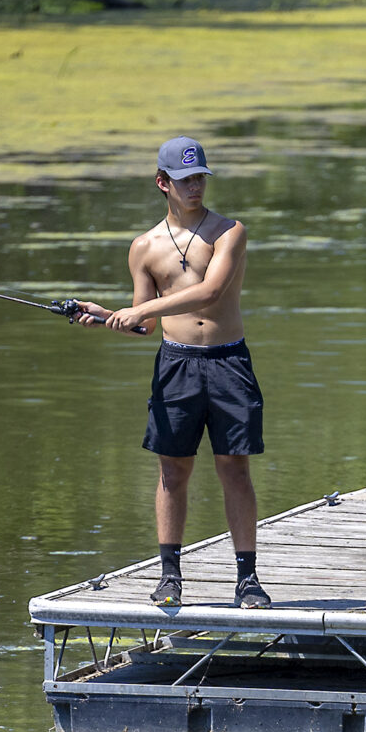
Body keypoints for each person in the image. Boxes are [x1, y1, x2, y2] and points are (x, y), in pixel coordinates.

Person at [72, 136, 270, 609]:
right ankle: (169, 577)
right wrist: (105, 316)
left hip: (229, 362)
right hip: (176, 365)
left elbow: (209, 292)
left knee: (234, 469)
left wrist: (140, 310)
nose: (195, 187)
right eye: (184, 180)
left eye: (200, 177)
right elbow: (146, 325)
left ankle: (247, 580)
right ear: (163, 183)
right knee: (172, 473)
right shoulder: (143, 248)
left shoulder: (229, 232)